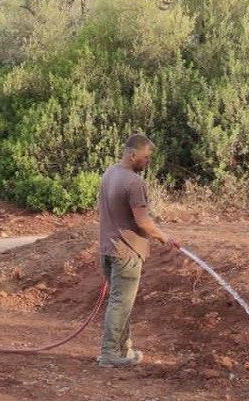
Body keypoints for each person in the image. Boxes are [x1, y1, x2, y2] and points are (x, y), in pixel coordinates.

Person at [96, 134, 178, 367]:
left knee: (120, 303)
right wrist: (164, 237)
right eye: (147, 157)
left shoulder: (110, 173)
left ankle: (123, 350)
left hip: (108, 249)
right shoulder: (134, 183)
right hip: (127, 253)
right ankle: (109, 353)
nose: (148, 161)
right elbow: (142, 222)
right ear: (133, 155)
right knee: (120, 304)